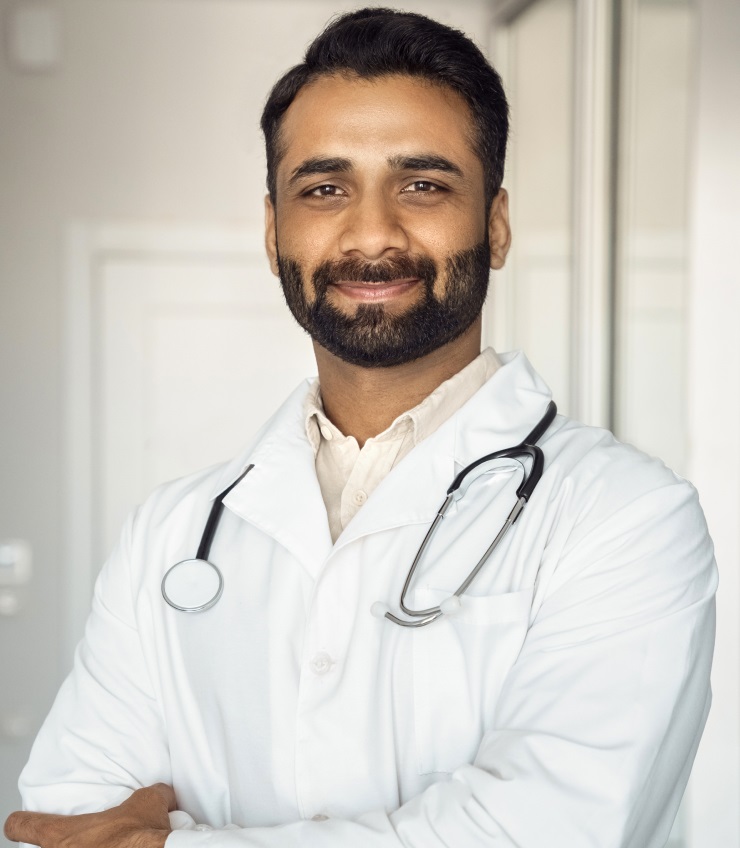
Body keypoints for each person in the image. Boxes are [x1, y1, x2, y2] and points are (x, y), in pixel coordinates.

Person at [5, 8, 716, 848]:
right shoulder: (170, 535)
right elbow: (61, 822)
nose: (372, 232)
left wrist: (166, 844)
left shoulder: (627, 517)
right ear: (275, 233)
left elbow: (552, 830)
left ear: (495, 224)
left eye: (423, 184)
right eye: (324, 188)